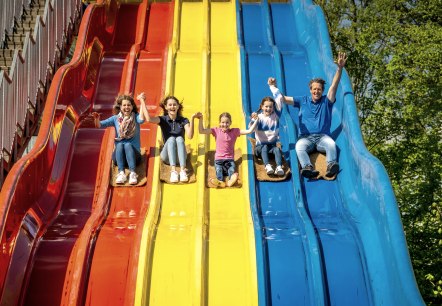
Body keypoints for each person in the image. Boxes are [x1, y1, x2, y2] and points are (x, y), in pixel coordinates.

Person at [268, 52, 348, 178]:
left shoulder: (327, 101)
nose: (316, 91)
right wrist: (274, 87)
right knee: (299, 146)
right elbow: (283, 99)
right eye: (314, 89)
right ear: (310, 90)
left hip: (323, 137)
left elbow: (334, 86)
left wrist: (340, 68)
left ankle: (331, 165)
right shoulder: (302, 100)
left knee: (331, 144)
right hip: (306, 138)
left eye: (319, 89)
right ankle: (307, 167)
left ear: (322, 91)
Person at [136, 92, 197, 183]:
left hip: (180, 157)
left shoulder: (183, 120)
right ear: (166, 107)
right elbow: (148, 119)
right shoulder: (163, 119)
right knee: (172, 139)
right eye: (170, 105)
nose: (172, 106)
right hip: (167, 156)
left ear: (178, 106)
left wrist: (192, 119)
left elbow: (190, 136)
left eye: (174, 105)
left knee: (180, 139)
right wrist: (142, 101)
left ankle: (182, 170)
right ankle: (173, 171)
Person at [92, 94, 148, 185]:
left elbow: (141, 120)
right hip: (119, 157)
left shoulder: (136, 117)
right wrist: (96, 119)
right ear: (120, 107)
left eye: (129, 105)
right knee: (120, 144)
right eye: (124, 105)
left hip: (134, 156)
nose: (126, 107)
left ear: (132, 106)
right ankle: (121, 173)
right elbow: (99, 125)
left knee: (127, 144)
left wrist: (142, 101)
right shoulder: (116, 119)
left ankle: (133, 173)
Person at [195, 112, 258, 187]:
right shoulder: (216, 130)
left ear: (230, 123)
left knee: (231, 170)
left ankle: (231, 180)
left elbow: (249, 131)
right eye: (223, 122)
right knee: (218, 170)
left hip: (229, 159)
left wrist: (256, 120)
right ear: (219, 123)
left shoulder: (234, 131)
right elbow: (201, 131)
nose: (224, 124)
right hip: (218, 159)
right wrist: (200, 119)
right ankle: (220, 181)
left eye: (227, 122)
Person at [249, 95, 285, 176]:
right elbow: (251, 128)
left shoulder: (275, 117)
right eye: (266, 106)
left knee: (277, 149)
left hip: (271, 147)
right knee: (264, 147)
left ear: (273, 108)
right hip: (259, 148)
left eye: (270, 107)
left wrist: (273, 86)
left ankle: (279, 167)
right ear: (262, 106)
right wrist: (253, 120)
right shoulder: (259, 117)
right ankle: (267, 166)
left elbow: (279, 100)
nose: (268, 109)